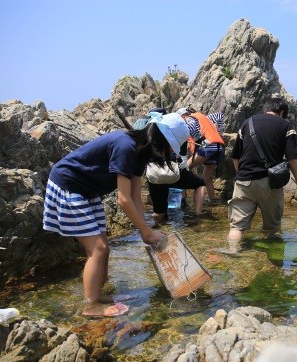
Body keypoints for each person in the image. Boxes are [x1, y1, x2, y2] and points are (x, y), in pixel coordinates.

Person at [43, 112, 189, 317]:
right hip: (68, 185)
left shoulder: (139, 156)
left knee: (105, 248)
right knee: (98, 248)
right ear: (159, 142)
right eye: (166, 149)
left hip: (87, 191)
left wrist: (147, 231)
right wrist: (146, 233)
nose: (165, 155)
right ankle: (90, 306)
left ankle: (98, 294)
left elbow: (136, 196)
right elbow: (123, 199)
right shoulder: (125, 146)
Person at [227, 97, 297, 249]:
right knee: (272, 227)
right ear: (282, 112)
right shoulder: (286, 126)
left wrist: (242, 176)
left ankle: (232, 254)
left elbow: (235, 156)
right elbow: (293, 159)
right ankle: (270, 260)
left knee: (236, 227)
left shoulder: (247, 123)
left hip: (244, 181)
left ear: (266, 109)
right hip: (269, 183)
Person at [139, 109, 207, 219]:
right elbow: (182, 157)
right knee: (200, 183)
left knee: (159, 212)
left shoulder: (147, 132)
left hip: (154, 175)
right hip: (173, 174)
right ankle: (197, 215)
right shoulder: (175, 128)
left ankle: (157, 228)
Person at [177, 107, 226, 204]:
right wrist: (218, 132)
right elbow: (220, 115)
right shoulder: (204, 118)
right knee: (206, 177)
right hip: (216, 148)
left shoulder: (189, 120)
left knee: (184, 170)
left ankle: (182, 198)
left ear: (183, 116)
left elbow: (187, 131)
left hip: (206, 149)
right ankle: (213, 200)